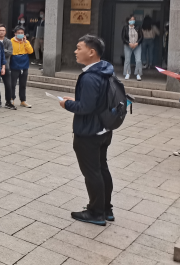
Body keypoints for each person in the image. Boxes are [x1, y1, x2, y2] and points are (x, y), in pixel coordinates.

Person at [60, 35, 115, 226]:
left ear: (91, 52)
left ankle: (96, 213)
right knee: (102, 168)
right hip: (104, 129)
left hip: (89, 132)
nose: (75, 51)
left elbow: (86, 107)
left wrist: (67, 104)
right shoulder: (106, 70)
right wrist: (76, 101)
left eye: (79, 48)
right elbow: (96, 101)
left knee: (92, 173)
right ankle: (106, 209)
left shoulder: (90, 77)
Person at [9, 26, 34, 109]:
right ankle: (11, 99)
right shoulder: (11, 41)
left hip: (24, 64)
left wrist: (25, 42)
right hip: (14, 64)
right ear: (15, 33)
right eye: (18, 33)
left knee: (23, 84)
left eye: (22, 33)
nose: (20, 34)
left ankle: (23, 100)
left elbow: (30, 51)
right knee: (12, 84)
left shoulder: (26, 42)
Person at [0, 25, 13, 109]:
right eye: (0, 30)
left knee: (8, 85)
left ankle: (8, 102)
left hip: (6, 66)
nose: (1, 32)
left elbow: (10, 52)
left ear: (5, 32)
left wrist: (1, 50)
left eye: (3, 30)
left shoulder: (8, 41)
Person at [121, 15, 143, 81]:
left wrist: (137, 43)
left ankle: (138, 74)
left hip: (137, 45)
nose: (132, 21)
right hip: (128, 45)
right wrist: (128, 43)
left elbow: (141, 37)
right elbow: (123, 37)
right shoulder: (125, 28)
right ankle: (127, 73)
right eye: (131, 20)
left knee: (138, 60)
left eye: (133, 20)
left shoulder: (138, 27)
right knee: (127, 60)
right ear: (128, 21)